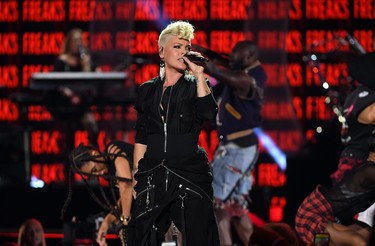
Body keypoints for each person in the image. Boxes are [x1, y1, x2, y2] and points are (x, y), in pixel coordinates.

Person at [129, 20, 220, 246]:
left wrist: (199, 74)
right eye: (177, 47)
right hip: (153, 171)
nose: (183, 52)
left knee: (198, 235)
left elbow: (209, 114)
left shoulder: (196, 85)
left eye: (187, 47)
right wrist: (135, 175)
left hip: (189, 172)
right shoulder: (147, 90)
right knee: (141, 236)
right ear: (161, 51)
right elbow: (142, 134)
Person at [202, 40, 267, 245]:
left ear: (248, 57)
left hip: (237, 149)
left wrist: (203, 64)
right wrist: (202, 50)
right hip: (239, 148)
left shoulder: (248, 78)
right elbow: (223, 60)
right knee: (235, 208)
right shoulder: (246, 68)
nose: (231, 57)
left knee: (215, 204)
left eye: (235, 55)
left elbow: (223, 73)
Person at [294, 130, 375, 245]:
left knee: (366, 238)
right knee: (359, 242)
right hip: (311, 215)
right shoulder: (369, 171)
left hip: (330, 217)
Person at [329, 52, 375, 226]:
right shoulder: (364, 93)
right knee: (343, 218)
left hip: (364, 161)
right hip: (357, 161)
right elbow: (370, 115)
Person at [60, 140, 134, 246]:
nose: (97, 174)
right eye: (92, 174)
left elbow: (126, 185)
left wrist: (125, 222)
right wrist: (106, 222)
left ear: (94, 154)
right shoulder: (110, 171)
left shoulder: (112, 149)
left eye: (94, 169)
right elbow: (125, 198)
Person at [48, 28, 100, 146]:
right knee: (67, 134)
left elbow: (95, 78)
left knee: (92, 126)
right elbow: (56, 83)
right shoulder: (62, 61)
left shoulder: (85, 60)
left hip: (81, 104)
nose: (78, 43)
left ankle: (93, 156)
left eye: (80, 40)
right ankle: (69, 159)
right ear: (69, 42)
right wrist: (69, 94)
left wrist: (87, 66)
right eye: (75, 40)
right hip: (65, 103)